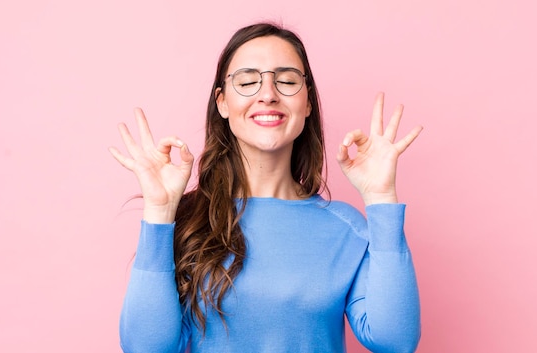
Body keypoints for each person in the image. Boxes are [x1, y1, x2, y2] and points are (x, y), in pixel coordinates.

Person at [109, 22, 422, 353]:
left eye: (286, 81)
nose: (268, 94)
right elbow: (145, 347)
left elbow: (395, 339)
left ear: (308, 102)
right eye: (247, 81)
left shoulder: (346, 228)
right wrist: (159, 212)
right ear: (223, 102)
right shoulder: (186, 222)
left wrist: (381, 198)